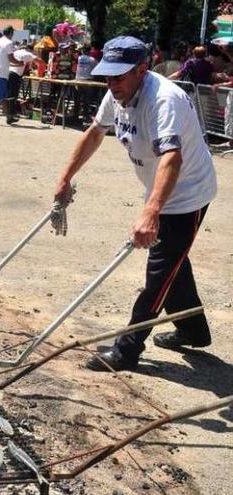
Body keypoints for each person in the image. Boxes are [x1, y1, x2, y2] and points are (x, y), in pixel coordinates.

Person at [53, 36, 217, 372]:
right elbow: (96, 132)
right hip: (159, 189)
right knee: (173, 266)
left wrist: (151, 212)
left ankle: (127, 351)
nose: (111, 84)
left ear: (142, 70)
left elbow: (173, 157)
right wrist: (65, 177)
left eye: (119, 77)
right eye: (108, 77)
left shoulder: (164, 100)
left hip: (186, 195)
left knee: (158, 274)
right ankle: (194, 331)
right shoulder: (118, 93)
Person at [9, 44, 37, 119]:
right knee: (13, 95)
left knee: (9, 94)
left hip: (8, 73)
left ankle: (10, 112)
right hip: (15, 75)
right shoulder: (28, 54)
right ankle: (11, 113)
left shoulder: (16, 52)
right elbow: (40, 62)